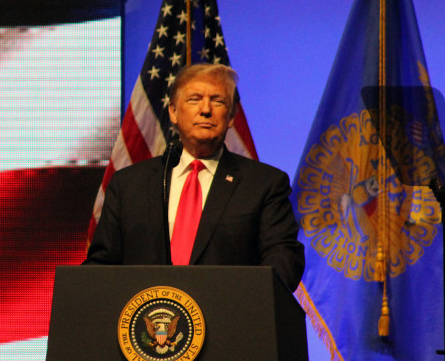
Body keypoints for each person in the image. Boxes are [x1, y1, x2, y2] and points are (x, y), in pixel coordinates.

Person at [84, 63, 304, 292]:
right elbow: (102, 265)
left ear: (231, 116)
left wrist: (246, 297)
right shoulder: (128, 185)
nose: (206, 109)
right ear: (173, 112)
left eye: (218, 101)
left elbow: (284, 259)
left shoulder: (264, 185)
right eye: (194, 99)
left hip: (230, 319)